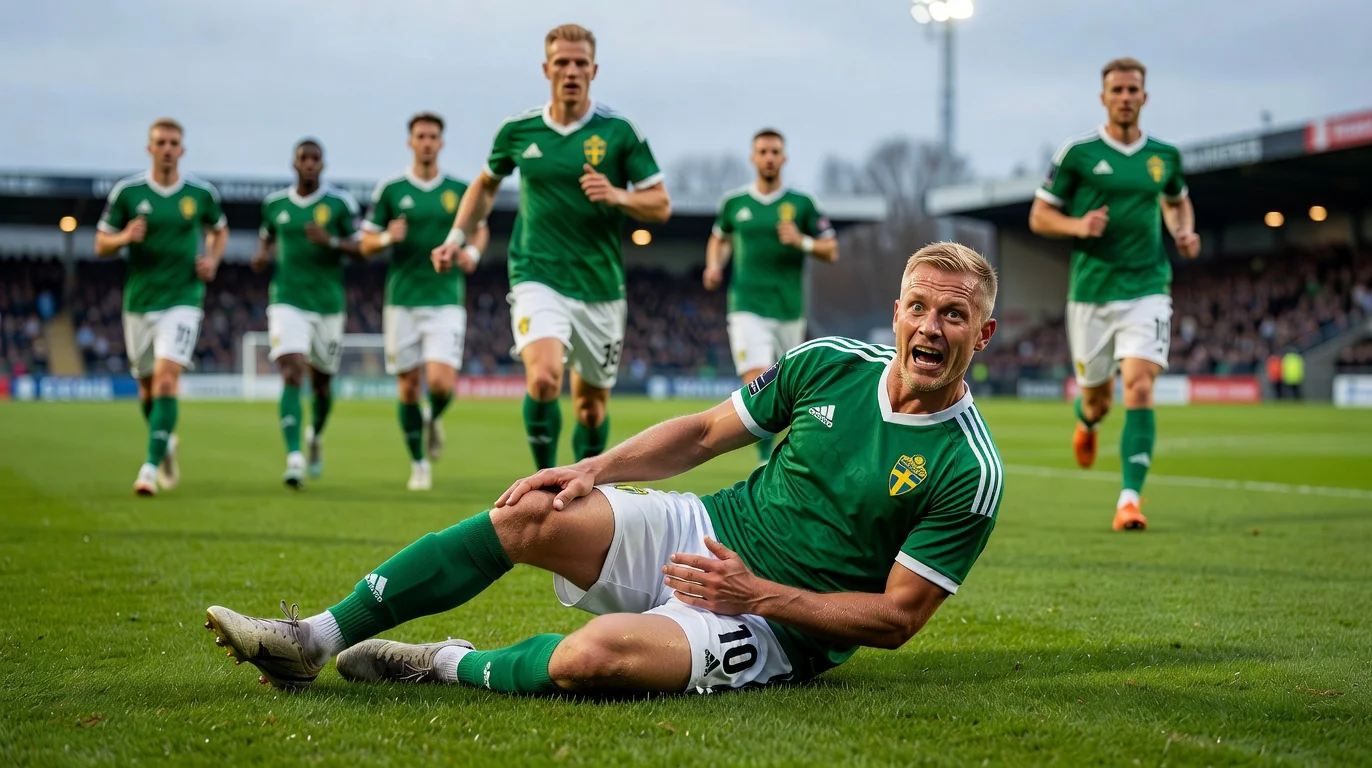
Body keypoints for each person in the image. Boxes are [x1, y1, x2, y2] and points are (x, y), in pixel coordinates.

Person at [204, 243, 1004, 696]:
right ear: (896, 313)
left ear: (984, 335)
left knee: (594, 658)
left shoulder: (968, 468)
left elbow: (898, 620)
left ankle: (443, 663)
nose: (931, 328)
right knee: (532, 515)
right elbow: (699, 434)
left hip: (774, 624)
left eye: (954, 315)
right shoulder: (827, 363)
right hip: (706, 531)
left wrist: (756, 595)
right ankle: (311, 638)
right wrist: (595, 466)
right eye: (919, 307)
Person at [432, 23, 671, 471]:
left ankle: (586, 487)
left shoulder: (619, 132)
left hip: (600, 287)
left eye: (580, 63)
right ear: (546, 68)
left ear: (594, 70)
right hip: (536, 276)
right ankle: (544, 483)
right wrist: (455, 237)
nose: (571, 71)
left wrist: (617, 194)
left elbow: (660, 204)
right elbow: (485, 186)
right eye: (562, 62)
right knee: (543, 379)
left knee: (590, 408)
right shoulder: (518, 131)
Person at [1028, 57, 1200, 531]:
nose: (1125, 97)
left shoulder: (1165, 156)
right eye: (1117, 90)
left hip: (1147, 286)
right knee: (1099, 399)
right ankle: (1087, 424)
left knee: (1140, 385)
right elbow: (1039, 217)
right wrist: (1078, 225)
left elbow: (1176, 200)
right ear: (1103, 97)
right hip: (1091, 294)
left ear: (1145, 97)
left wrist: (1183, 231)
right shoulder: (1077, 154)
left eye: (1133, 90)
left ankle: (1128, 500)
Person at [95, 117, 229, 496]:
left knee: (168, 378)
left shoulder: (200, 194)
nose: (168, 149)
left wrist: (213, 259)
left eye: (174, 143)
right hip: (139, 302)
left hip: (184, 300)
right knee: (147, 389)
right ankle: (165, 442)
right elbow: (100, 244)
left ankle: (149, 468)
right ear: (149, 148)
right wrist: (124, 236)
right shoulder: (128, 193)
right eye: (161, 143)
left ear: (182, 150)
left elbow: (219, 230)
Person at [360, 113, 487, 491]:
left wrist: (472, 255)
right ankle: (418, 463)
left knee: (442, 384)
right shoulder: (391, 190)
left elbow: (479, 230)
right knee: (408, 388)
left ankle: (433, 418)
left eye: (433, 136)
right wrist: (386, 238)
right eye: (421, 136)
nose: (427, 142)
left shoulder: (459, 190)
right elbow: (365, 242)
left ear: (441, 143)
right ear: (410, 142)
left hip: (446, 298)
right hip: (402, 301)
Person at [704, 129, 838, 465]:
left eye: (774, 151)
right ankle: (765, 459)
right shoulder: (735, 204)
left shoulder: (802, 204)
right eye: (762, 151)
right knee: (757, 379)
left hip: (789, 310)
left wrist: (802, 241)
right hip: (747, 306)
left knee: (787, 389)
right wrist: (713, 266)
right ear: (753, 157)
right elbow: (719, 238)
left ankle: (777, 452)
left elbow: (831, 249)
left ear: (784, 158)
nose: (768, 157)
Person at [254, 139, 363, 489]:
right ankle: (294, 457)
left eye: (316, 159)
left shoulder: (339, 204)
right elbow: (267, 239)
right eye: (305, 158)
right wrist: (261, 256)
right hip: (286, 299)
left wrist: (330, 241)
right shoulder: (275, 205)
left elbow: (362, 248)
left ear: (323, 164)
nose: (310, 164)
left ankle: (315, 435)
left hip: (328, 306)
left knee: (322, 383)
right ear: (294, 163)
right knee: (290, 370)